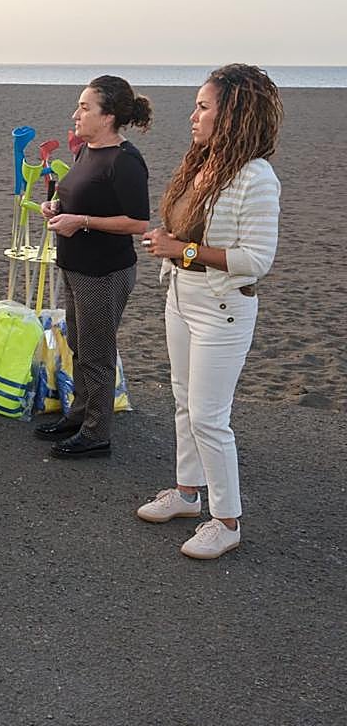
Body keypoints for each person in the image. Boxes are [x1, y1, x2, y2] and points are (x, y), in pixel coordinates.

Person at [138, 64, 282, 559]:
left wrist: (184, 250)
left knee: (209, 417)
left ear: (234, 113)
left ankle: (227, 520)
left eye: (203, 106)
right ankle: (185, 493)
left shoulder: (256, 177)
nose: (193, 116)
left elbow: (256, 260)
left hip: (222, 306)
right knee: (183, 402)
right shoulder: (202, 165)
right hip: (182, 295)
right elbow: (181, 236)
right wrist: (169, 248)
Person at [34, 76, 152, 457]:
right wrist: (55, 208)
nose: (76, 114)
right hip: (75, 266)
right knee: (78, 344)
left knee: (97, 353)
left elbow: (138, 223)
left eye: (85, 108)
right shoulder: (88, 151)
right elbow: (78, 196)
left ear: (108, 116)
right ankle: (79, 414)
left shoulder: (126, 160)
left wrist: (80, 221)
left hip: (104, 271)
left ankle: (97, 434)